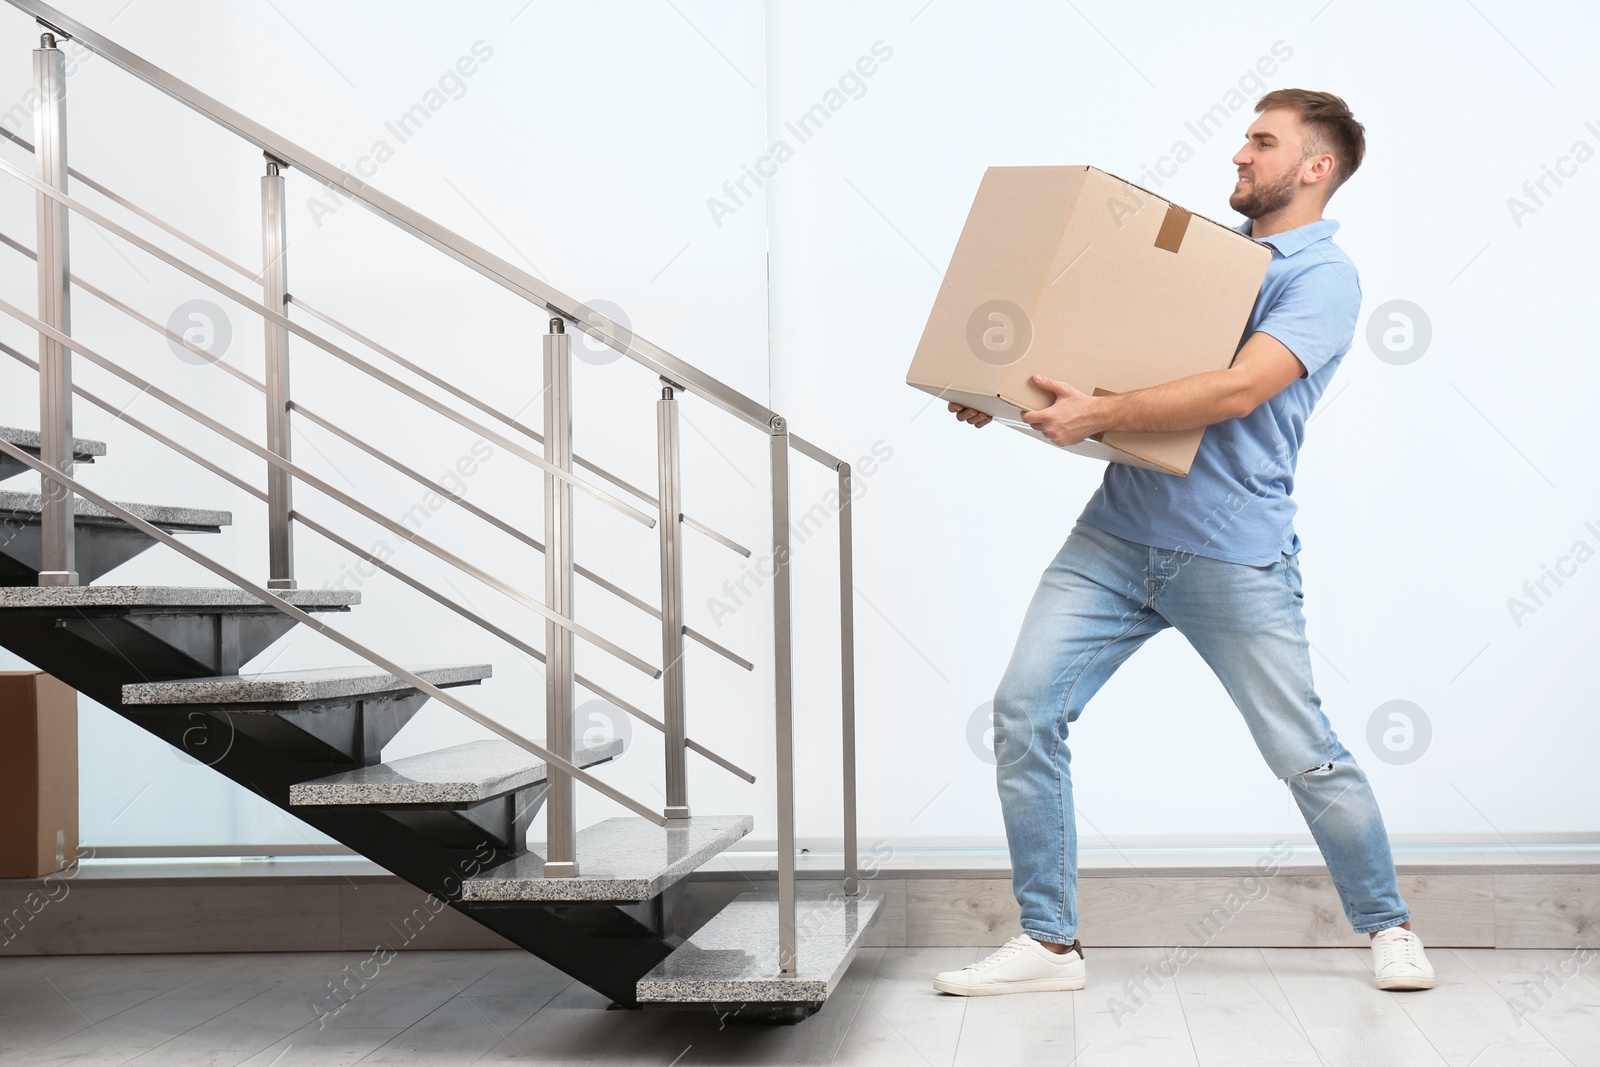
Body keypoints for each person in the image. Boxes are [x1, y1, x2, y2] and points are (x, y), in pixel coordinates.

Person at [933, 88, 1435, 997]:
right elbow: (1107, 365)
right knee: (1023, 712)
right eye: (1245, 138)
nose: (1239, 155)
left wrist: (1098, 411)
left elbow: (1239, 390)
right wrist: (1008, 390)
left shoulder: (1320, 277)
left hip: (1231, 553)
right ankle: (1050, 945)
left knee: (1303, 750)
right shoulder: (1207, 266)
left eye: (1262, 141)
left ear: (1314, 168)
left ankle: (1389, 924)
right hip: (1116, 538)